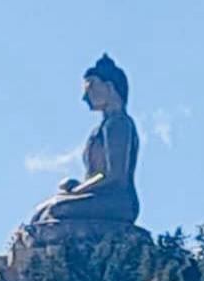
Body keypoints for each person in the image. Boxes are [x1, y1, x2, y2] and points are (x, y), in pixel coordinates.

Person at [30, 54, 140, 225]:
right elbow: (97, 175)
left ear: (109, 87)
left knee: (55, 209)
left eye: (91, 87)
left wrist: (77, 192)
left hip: (118, 201)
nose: (85, 96)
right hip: (97, 196)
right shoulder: (101, 128)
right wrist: (76, 187)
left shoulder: (119, 124)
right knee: (41, 212)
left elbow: (115, 175)